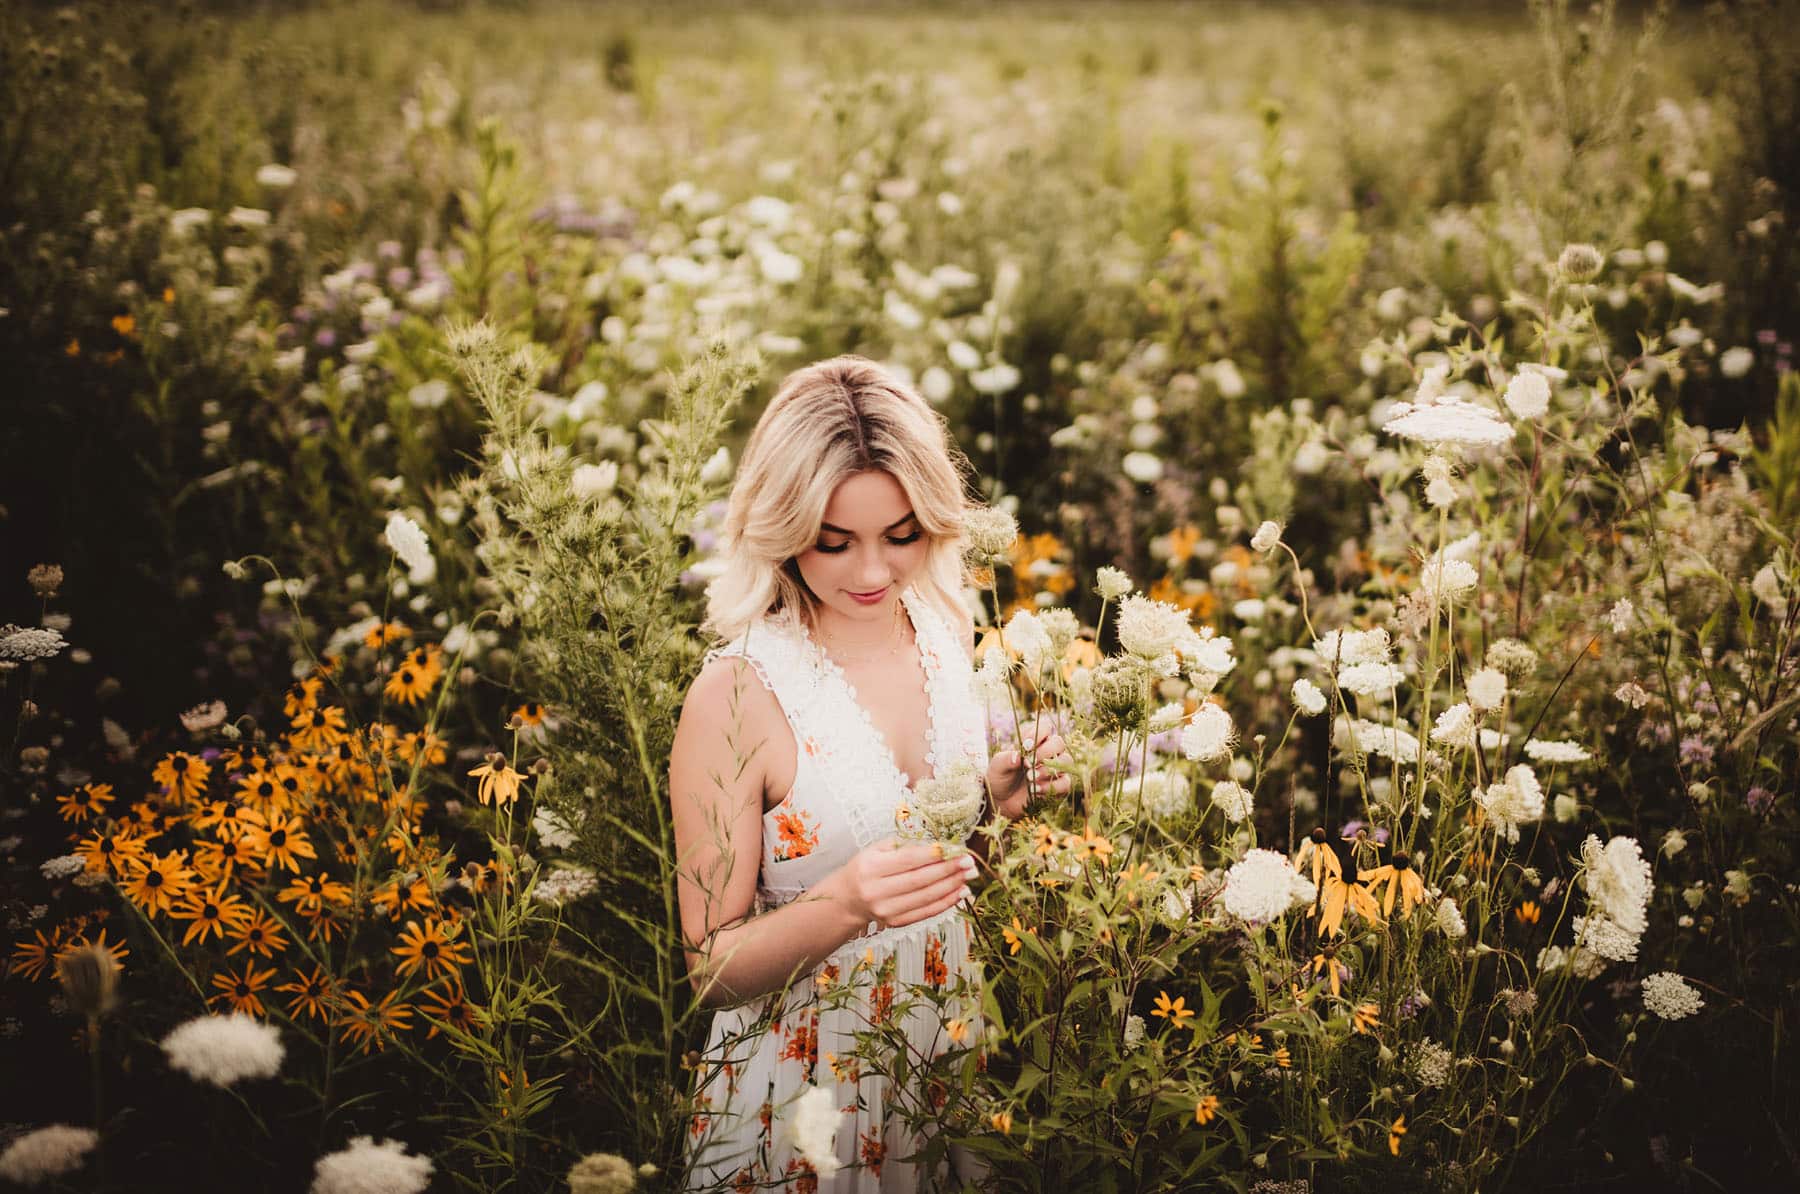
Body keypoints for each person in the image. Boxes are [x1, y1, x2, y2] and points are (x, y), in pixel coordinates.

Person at [670, 356, 1071, 1191]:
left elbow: (944, 885)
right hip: (807, 1101)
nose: (873, 574)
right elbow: (709, 965)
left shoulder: (943, 629)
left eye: (901, 536)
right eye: (833, 541)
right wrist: (846, 903)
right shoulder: (736, 694)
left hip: (945, 1063)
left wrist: (996, 814)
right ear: (780, 530)